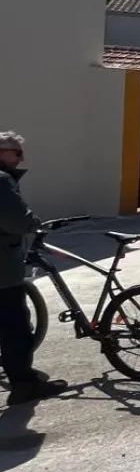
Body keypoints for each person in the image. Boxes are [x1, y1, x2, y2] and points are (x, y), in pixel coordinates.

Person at [0, 131, 69, 405]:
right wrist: (33, 222)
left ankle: (20, 373)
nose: (21, 158)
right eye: (16, 152)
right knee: (15, 327)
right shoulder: (1, 180)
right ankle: (24, 384)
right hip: (2, 270)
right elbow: (16, 220)